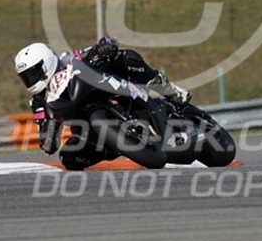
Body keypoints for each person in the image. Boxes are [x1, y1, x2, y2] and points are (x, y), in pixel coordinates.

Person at [14, 36, 192, 170]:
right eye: (25, 77)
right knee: (69, 158)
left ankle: (170, 90)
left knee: (126, 58)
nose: (29, 81)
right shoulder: (38, 101)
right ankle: (117, 146)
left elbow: (100, 47)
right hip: (90, 129)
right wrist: (49, 132)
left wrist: (103, 47)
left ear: (46, 64)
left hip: (106, 90)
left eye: (32, 74)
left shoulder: (68, 59)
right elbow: (48, 142)